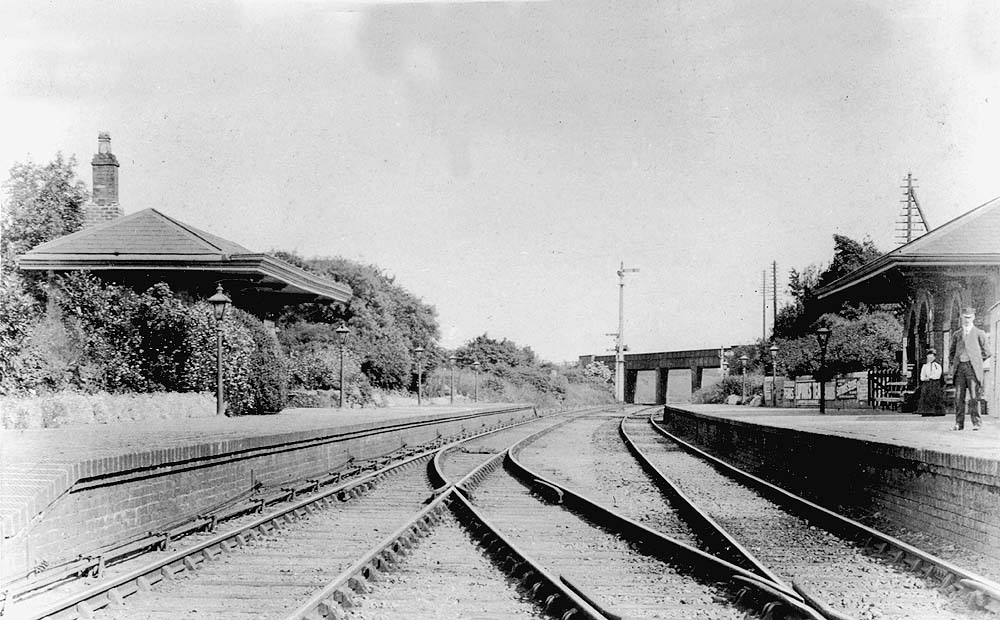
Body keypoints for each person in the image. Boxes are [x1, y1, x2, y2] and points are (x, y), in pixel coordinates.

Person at [948, 307, 991, 430]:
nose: (967, 320)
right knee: (958, 397)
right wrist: (955, 363)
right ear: (962, 317)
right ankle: (958, 423)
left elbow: (987, 352)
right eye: (965, 317)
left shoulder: (979, 333)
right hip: (960, 368)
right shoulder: (957, 334)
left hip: (972, 369)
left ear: (973, 318)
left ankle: (976, 423)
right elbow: (951, 353)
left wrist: (976, 360)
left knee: (974, 397)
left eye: (969, 317)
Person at [917, 349, 944, 416]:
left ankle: (935, 411)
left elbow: (938, 375)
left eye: (931, 357)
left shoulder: (937, 366)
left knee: (934, 394)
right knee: (925, 394)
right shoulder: (925, 366)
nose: (930, 359)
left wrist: (931, 377)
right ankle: (926, 411)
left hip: (935, 383)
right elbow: (922, 375)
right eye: (928, 357)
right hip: (926, 383)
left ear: (934, 357)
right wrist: (924, 378)